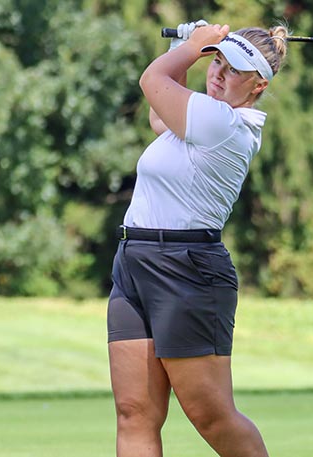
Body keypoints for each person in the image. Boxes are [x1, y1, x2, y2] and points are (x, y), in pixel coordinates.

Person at [106, 19, 288, 457]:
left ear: (258, 84)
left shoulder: (225, 124)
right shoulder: (199, 118)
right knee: (135, 412)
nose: (218, 73)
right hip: (134, 261)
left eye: (232, 69)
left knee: (211, 415)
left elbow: (153, 80)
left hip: (186, 269)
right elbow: (159, 110)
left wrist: (193, 46)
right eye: (216, 61)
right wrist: (194, 48)